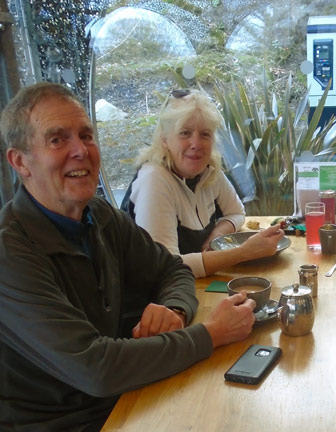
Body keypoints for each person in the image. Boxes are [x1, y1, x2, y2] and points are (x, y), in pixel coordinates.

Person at [0, 82, 257, 431]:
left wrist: (175, 310)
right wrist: (211, 335)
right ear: (20, 162)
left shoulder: (101, 216)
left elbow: (172, 270)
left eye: (87, 135)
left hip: (129, 398)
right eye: (57, 139)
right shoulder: (10, 252)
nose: (81, 150)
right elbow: (96, 368)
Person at [121, 89, 284, 278]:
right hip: (151, 300)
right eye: (185, 133)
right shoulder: (154, 179)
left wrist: (215, 236)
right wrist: (244, 252)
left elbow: (237, 212)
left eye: (205, 134)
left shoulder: (207, 171)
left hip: (192, 287)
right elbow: (165, 268)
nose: (196, 143)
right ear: (165, 140)